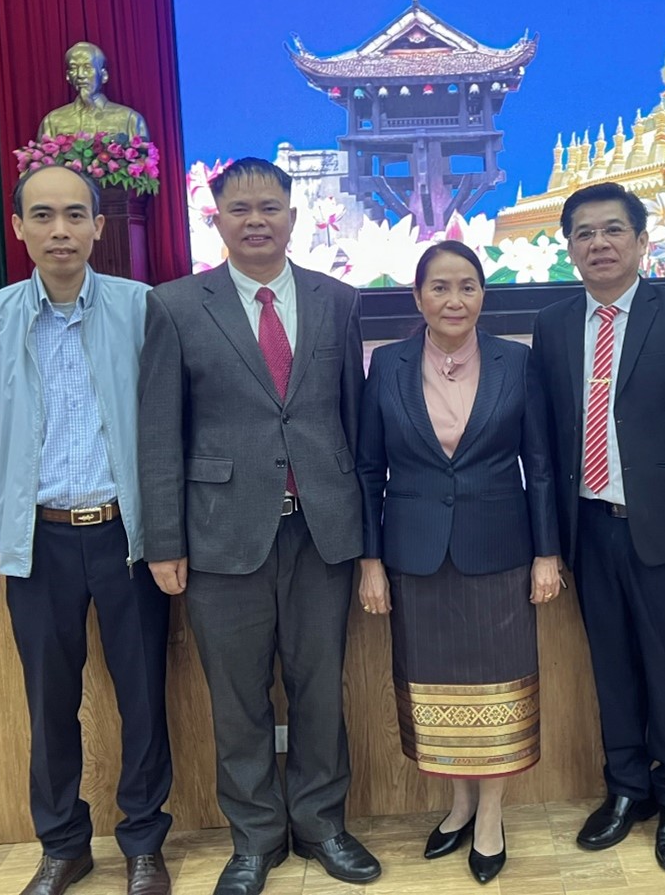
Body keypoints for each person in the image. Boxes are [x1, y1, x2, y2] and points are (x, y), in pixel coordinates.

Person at [137, 157, 379, 895]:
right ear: (216, 218)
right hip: (220, 534)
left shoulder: (338, 300)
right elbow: (159, 431)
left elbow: (355, 421)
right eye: (239, 209)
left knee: (319, 688)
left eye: (269, 207)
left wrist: (367, 536)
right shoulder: (176, 304)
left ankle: (322, 824)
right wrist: (165, 541)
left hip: (321, 531)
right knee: (238, 697)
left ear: (293, 217)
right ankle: (255, 839)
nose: (255, 221)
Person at [0, 165, 173, 895]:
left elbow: (172, 428)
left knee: (143, 695)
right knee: (49, 701)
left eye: (76, 215)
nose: (60, 230)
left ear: (100, 226)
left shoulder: (143, 309)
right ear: (18, 228)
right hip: (37, 542)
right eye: (42, 216)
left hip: (128, 538)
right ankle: (63, 844)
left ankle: (144, 842)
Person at [530, 181, 665, 873]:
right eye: (584, 233)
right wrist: (549, 541)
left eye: (613, 230)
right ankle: (626, 789)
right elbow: (545, 440)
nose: (599, 243)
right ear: (569, 247)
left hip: (662, 530)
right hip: (588, 527)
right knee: (610, 666)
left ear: (642, 241)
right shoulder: (554, 324)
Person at [357, 241, 561, 886]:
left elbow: (541, 466)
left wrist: (547, 552)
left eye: (468, 286)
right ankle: (460, 803)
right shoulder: (387, 364)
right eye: (440, 287)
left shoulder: (515, 361)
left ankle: (491, 813)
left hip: (499, 550)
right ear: (417, 296)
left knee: (498, 684)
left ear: (483, 295)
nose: (454, 300)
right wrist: (370, 560)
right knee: (434, 686)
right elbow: (368, 470)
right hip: (414, 553)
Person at [38, 41, 149, 140]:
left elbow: (142, 155)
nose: (80, 75)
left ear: (104, 75)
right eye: (74, 68)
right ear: (68, 76)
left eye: (87, 67)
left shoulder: (130, 119)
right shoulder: (52, 121)